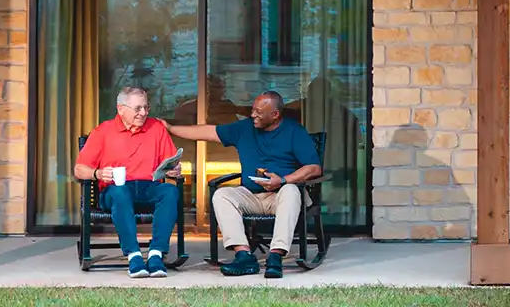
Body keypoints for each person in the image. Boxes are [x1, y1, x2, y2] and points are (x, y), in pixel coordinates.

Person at [165, 90, 323, 278]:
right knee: (222, 195)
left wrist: (282, 180)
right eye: (253, 110)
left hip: (283, 195)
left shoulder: (294, 131)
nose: (252, 114)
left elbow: (314, 168)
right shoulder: (245, 128)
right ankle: (244, 255)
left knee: (290, 190)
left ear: (275, 115)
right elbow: (208, 131)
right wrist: (171, 128)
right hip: (252, 195)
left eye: (258, 112)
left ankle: (276, 256)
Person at [73, 87, 181, 279]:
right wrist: (97, 173)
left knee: (170, 192)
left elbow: (171, 163)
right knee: (120, 193)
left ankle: (156, 254)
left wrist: (174, 170)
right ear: (121, 109)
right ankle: (134, 255)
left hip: (148, 187)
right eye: (138, 108)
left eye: (146, 107)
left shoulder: (156, 128)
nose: (144, 113)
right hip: (115, 191)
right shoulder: (103, 131)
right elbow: (79, 169)